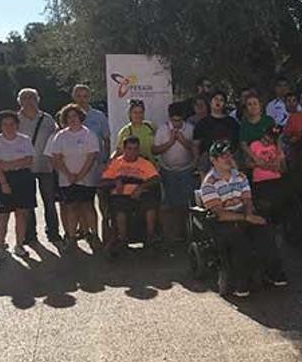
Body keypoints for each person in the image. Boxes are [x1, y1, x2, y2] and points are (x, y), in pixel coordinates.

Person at [197, 141, 287, 297]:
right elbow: (219, 213)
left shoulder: (240, 176)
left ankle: (273, 273)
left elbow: (247, 200)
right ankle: (241, 283)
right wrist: (247, 218)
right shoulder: (209, 184)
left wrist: (250, 215)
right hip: (222, 220)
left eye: (229, 155)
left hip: (242, 213)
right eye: (222, 156)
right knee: (238, 240)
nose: (227, 158)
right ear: (213, 160)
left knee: (265, 231)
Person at [44, 104, 101, 251]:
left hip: (87, 178)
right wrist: (68, 174)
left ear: (80, 117)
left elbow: (92, 156)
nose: (72, 119)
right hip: (66, 179)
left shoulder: (89, 134)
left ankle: (94, 235)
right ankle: (71, 236)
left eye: (74, 116)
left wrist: (81, 174)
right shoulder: (60, 136)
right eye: (69, 117)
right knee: (71, 207)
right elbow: (56, 157)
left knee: (88, 206)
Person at [0, 111, 37, 262]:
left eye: (12, 124)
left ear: (17, 125)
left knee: (22, 214)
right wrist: (4, 183)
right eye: (5, 124)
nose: (9, 127)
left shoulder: (24, 140)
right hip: (3, 179)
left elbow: (28, 160)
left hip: (23, 178)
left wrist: (8, 164)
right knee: (2, 216)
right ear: (0, 126)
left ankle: (19, 245)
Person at [100, 136, 161, 254]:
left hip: (139, 195)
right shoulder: (116, 163)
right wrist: (115, 182)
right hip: (120, 195)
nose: (132, 152)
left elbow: (156, 178)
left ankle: (150, 236)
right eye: (129, 148)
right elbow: (102, 182)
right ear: (124, 149)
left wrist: (141, 187)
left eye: (135, 149)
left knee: (150, 203)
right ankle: (122, 239)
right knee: (119, 207)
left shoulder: (145, 163)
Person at [16, 88, 61, 243]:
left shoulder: (47, 119)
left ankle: (53, 232)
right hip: (24, 167)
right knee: (28, 203)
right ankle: (30, 235)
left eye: (32, 97)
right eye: (25, 98)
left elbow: (56, 139)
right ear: (19, 101)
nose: (29, 101)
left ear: (38, 100)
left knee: (49, 201)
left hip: (45, 166)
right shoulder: (15, 120)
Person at [72, 84, 110, 241]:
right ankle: (85, 230)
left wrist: (107, 160)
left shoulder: (99, 116)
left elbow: (106, 139)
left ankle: (106, 231)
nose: (82, 99)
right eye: (79, 96)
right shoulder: (69, 115)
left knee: (103, 200)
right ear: (74, 97)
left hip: (97, 165)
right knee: (83, 201)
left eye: (85, 96)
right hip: (77, 167)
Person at [152, 104, 195, 242]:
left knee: (186, 203)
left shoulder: (190, 128)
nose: (176, 124)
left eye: (179, 120)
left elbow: (195, 149)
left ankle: (187, 233)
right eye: (174, 120)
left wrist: (183, 141)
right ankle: (172, 234)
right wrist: (170, 142)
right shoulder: (162, 129)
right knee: (170, 204)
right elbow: (155, 150)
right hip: (168, 171)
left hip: (186, 170)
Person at [249, 125, 288, 221]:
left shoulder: (276, 148)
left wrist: (280, 155)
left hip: (276, 179)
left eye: (270, 139)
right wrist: (262, 165)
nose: (266, 141)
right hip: (260, 181)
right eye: (265, 137)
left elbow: (284, 169)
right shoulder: (255, 145)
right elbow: (247, 164)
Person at [193, 90, 240, 164]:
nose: (218, 102)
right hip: (208, 161)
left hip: (227, 160)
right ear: (210, 102)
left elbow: (237, 143)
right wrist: (197, 160)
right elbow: (196, 144)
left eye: (221, 100)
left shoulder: (232, 122)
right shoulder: (202, 123)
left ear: (224, 104)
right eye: (216, 99)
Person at [239, 92, 277, 168]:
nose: (253, 106)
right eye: (249, 104)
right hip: (252, 154)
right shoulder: (244, 124)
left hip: (270, 151)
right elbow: (243, 144)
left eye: (255, 103)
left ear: (260, 105)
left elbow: (276, 137)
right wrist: (255, 158)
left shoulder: (269, 120)